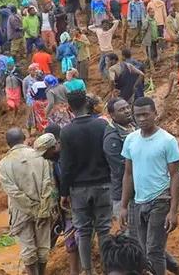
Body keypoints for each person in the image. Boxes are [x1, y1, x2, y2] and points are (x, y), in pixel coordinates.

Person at [117, 97, 179, 275]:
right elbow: (128, 173)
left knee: (154, 250)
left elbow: (175, 175)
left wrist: (173, 210)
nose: (141, 119)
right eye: (137, 115)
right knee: (141, 248)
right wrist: (124, 206)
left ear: (155, 113)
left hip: (160, 200)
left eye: (146, 114)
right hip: (138, 201)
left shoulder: (167, 141)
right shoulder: (131, 140)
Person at [58, 91, 112, 275]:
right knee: (104, 229)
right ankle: (107, 269)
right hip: (104, 184)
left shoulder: (66, 131)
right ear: (87, 104)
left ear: (69, 108)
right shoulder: (102, 125)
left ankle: (88, 271)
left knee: (83, 231)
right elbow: (109, 155)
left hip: (79, 189)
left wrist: (64, 193)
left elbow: (65, 166)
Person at [0, 127, 56, 275]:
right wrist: (41, 209)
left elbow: (13, 192)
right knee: (43, 247)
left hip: (20, 211)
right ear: (24, 138)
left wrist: (30, 208)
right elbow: (48, 184)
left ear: (7, 143)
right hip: (43, 209)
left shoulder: (4, 164)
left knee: (28, 249)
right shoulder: (40, 156)